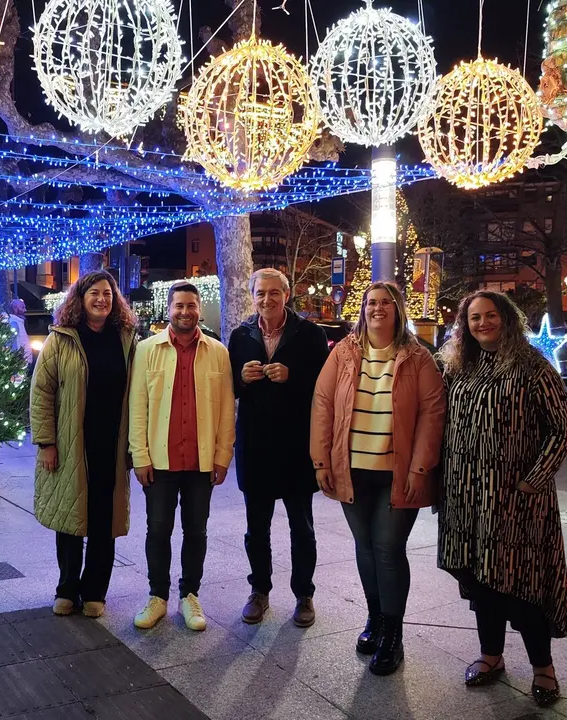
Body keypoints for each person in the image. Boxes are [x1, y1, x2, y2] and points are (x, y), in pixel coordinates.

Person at [437, 291, 567, 709]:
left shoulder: (533, 367)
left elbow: (561, 428)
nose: (482, 323)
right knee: (480, 580)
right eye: (474, 318)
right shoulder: (459, 367)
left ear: (507, 319)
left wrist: (534, 480)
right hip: (465, 496)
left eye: (490, 315)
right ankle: (490, 656)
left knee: (522, 583)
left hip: (515, 501)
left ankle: (543, 668)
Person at [310, 281, 444, 676]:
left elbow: (432, 416)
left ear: (398, 310)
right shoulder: (345, 354)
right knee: (365, 546)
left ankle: (394, 634)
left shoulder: (418, 358)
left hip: (397, 473)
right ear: (363, 308)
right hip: (351, 469)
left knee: (387, 548)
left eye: (386, 302)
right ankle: (376, 619)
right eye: (371, 302)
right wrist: (321, 461)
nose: (377, 308)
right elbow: (323, 404)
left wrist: (421, 469)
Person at [30, 271, 138, 618]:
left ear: (115, 299)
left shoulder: (126, 339)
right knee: (70, 518)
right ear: (80, 297)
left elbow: (140, 392)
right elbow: (41, 393)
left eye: (108, 293)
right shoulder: (61, 340)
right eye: (94, 293)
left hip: (112, 444)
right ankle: (66, 589)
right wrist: (46, 441)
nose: (101, 299)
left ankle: (95, 592)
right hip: (71, 442)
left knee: (104, 521)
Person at [128, 282, 235, 632]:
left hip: (200, 461)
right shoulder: (147, 349)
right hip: (160, 461)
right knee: (157, 529)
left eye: (191, 305)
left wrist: (223, 456)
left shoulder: (218, 352)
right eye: (178, 306)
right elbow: (138, 407)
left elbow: (224, 411)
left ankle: (190, 594)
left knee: (196, 531)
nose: (185, 312)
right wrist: (139, 455)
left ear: (199, 309)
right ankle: (157, 596)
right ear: (169, 309)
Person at [228, 269, 329, 628]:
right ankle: (259, 591)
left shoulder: (311, 334)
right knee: (257, 528)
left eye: (274, 292)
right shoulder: (240, 336)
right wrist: (241, 379)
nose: (267, 299)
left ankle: (304, 594)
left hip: (296, 447)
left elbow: (324, 390)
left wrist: (293, 377)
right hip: (255, 445)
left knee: (302, 527)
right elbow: (229, 390)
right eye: (260, 293)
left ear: (286, 294)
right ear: (252, 296)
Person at [7, 299, 34, 369]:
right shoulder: (14, 323)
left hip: (24, 360)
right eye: (22, 307)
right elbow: (13, 343)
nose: (25, 310)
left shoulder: (18, 322)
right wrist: (19, 360)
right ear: (15, 309)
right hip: (22, 362)